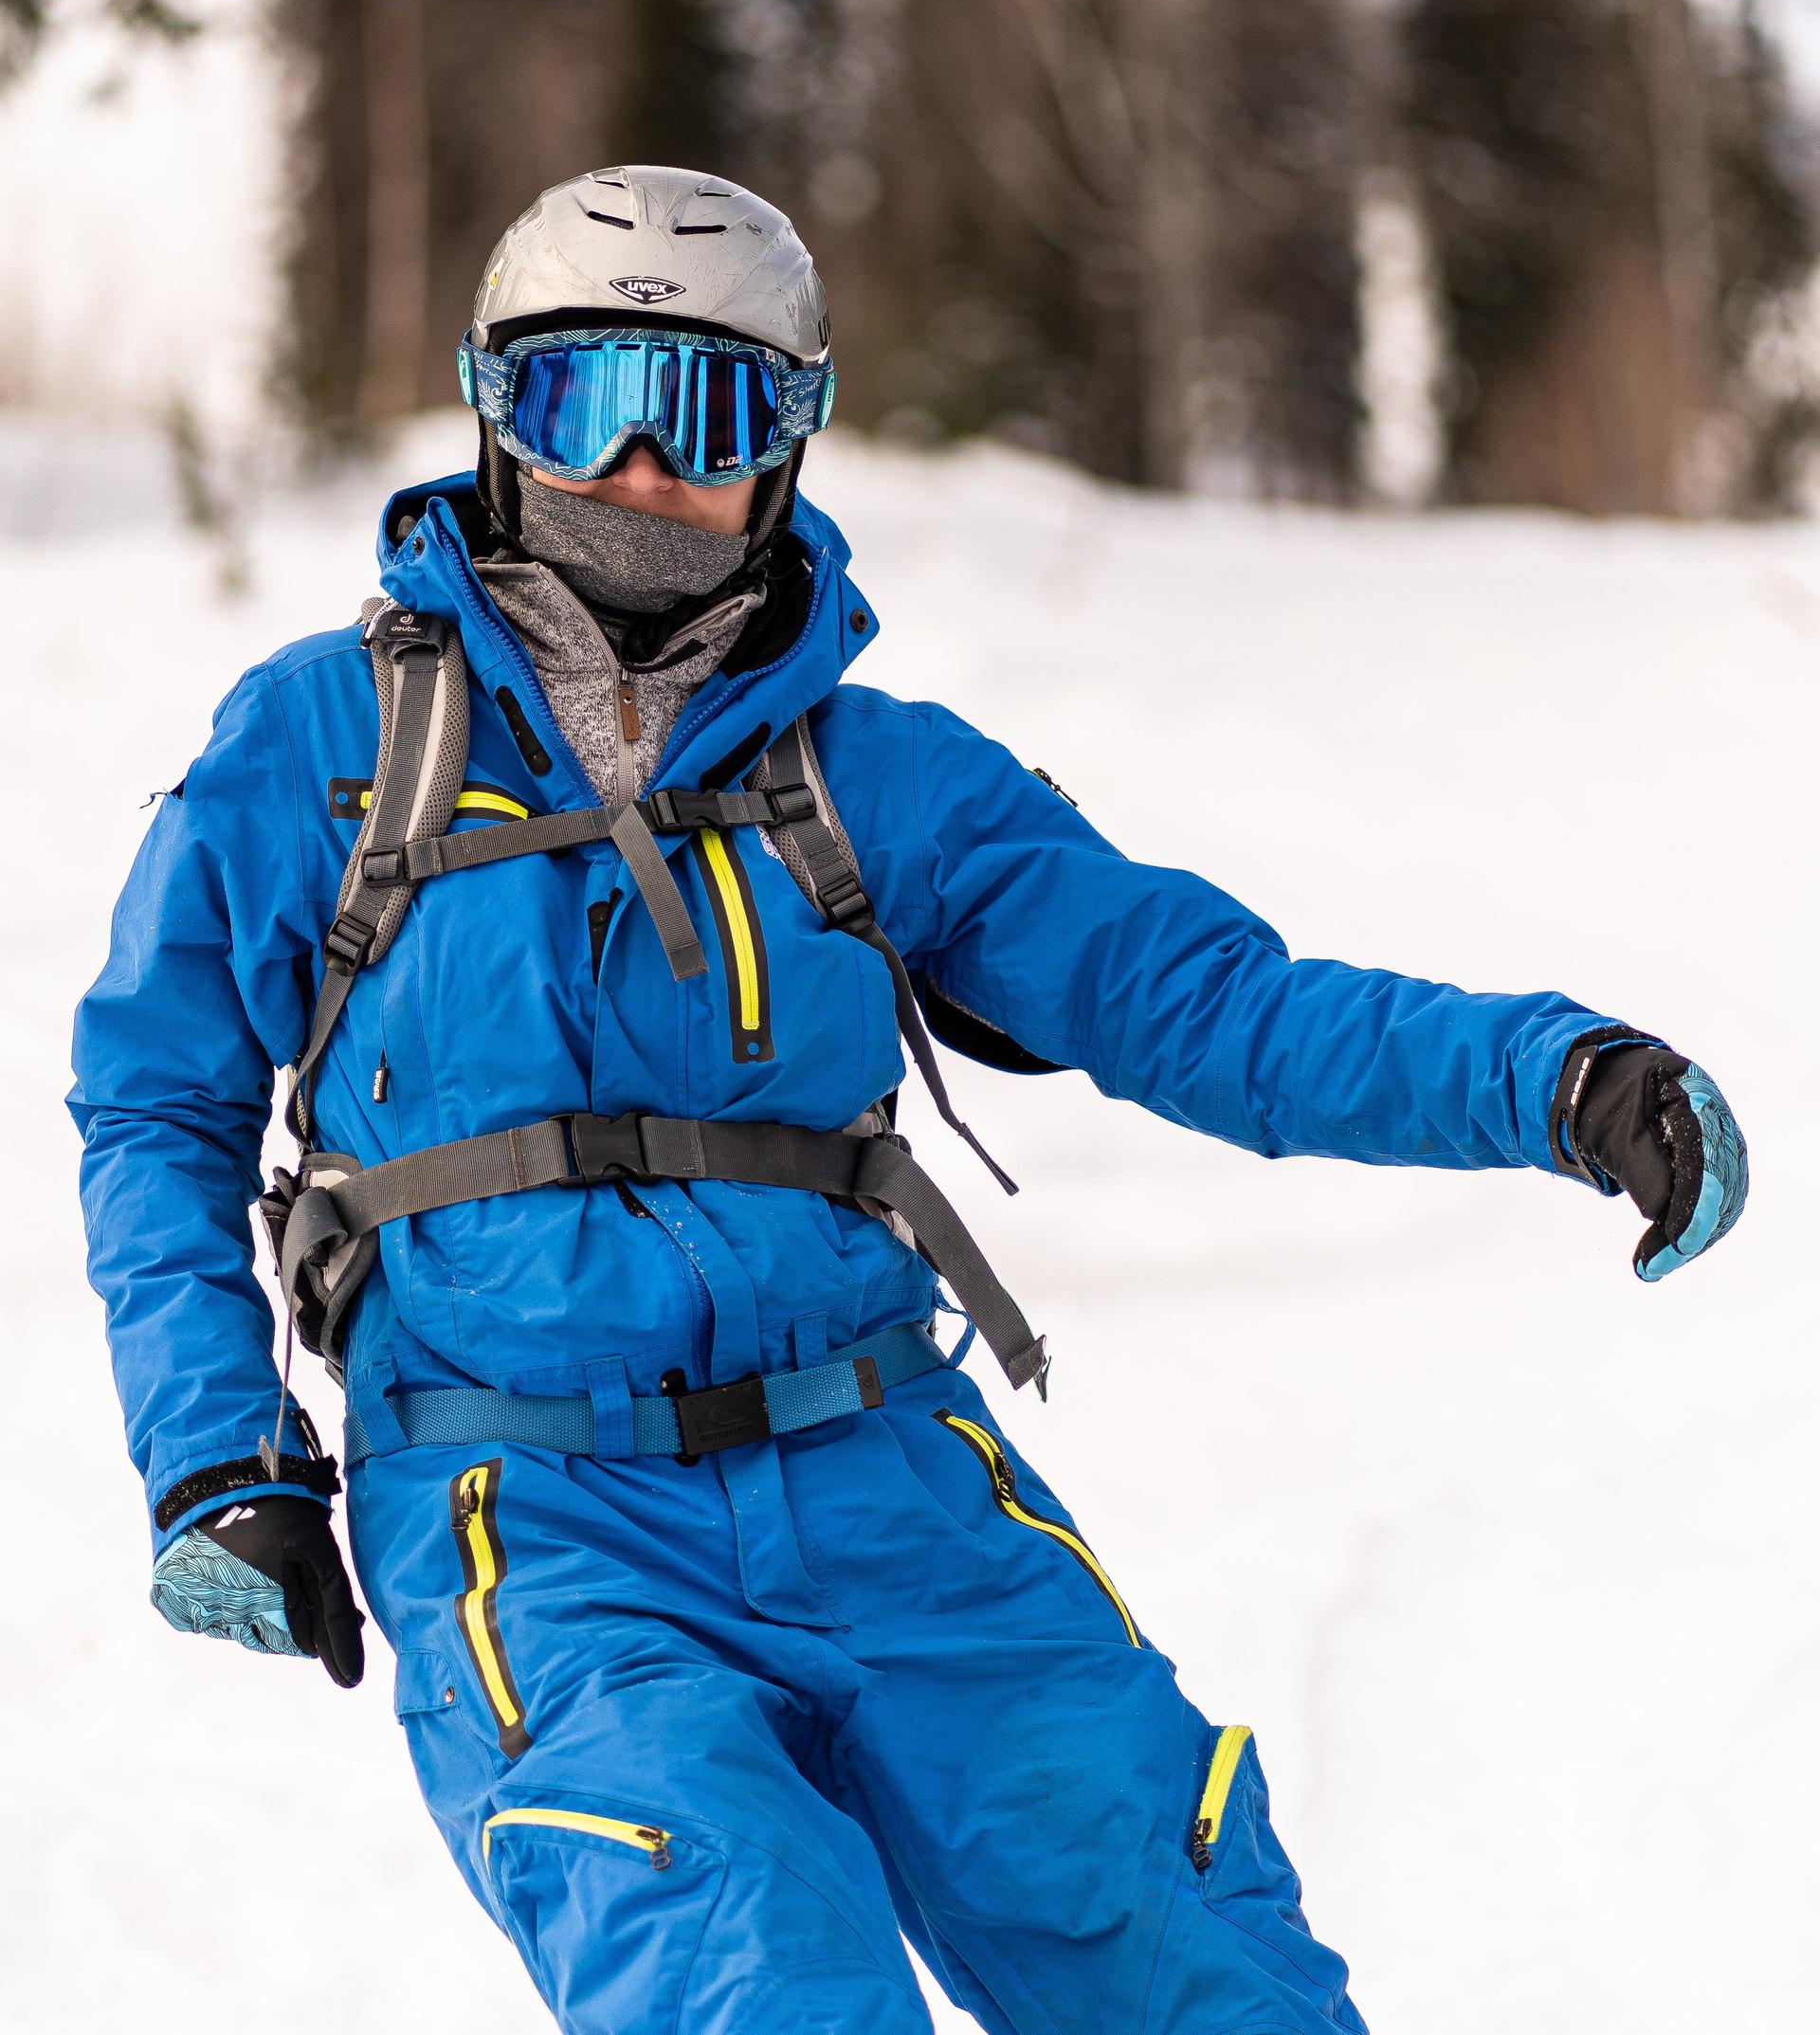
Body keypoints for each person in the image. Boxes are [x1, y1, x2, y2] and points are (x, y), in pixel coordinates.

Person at [74, 165, 1748, 2035]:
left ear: (788, 439)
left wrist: (1550, 1077)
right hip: (532, 1515)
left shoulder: (876, 780)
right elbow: (156, 1103)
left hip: (893, 1483)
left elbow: (1211, 1004)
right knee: (758, 1982)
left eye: (701, 410)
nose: (639, 467)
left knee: (1194, 1968)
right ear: (494, 413)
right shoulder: (323, 746)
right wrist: (215, 1454)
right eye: (582, 398)